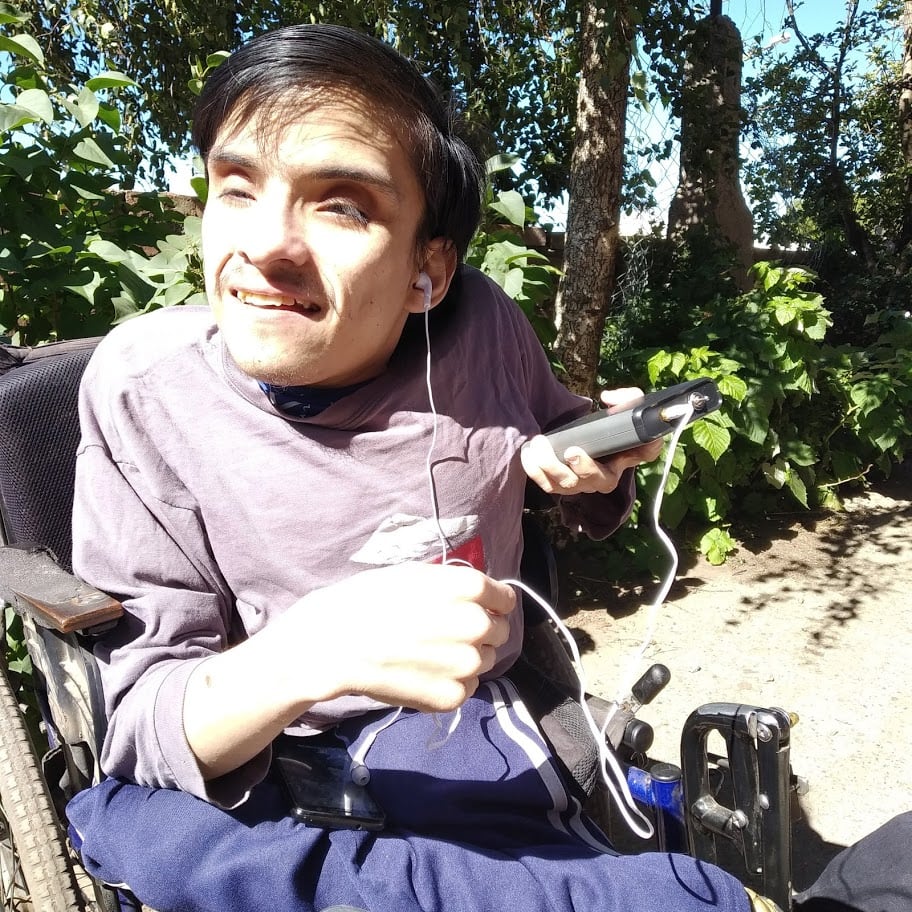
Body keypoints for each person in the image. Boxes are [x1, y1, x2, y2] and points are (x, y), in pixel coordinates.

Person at [66, 22, 796, 912]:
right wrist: (311, 655)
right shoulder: (149, 395)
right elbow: (137, 735)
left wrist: (596, 458)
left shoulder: (486, 325)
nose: (265, 247)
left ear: (430, 270)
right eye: (238, 187)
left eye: (342, 205)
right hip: (300, 768)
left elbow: (554, 429)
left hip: (490, 722)